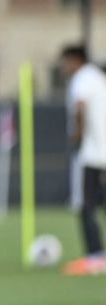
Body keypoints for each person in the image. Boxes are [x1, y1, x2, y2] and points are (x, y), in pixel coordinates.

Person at [59, 45, 106, 276]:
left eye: (65, 62)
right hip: (103, 149)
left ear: (76, 59)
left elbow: (80, 105)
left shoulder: (83, 79)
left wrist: (78, 134)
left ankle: (95, 256)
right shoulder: (98, 77)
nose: (63, 67)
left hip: (91, 152)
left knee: (84, 203)